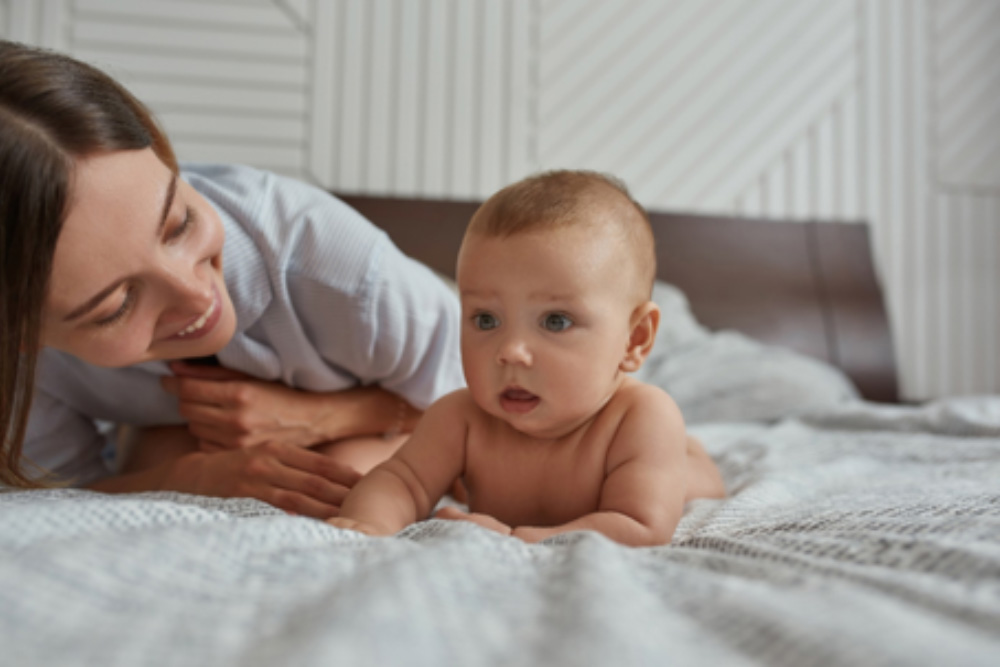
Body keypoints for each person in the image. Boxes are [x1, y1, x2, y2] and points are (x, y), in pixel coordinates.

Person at [0, 41, 465, 518]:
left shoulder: (338, 266)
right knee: (164, 463)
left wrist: (322, 418)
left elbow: (504, 411)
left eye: (178, 224)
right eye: (116, 305)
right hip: (189, 430)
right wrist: (191, 479)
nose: (197, 294)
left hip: (423, 380)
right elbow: (55, 499)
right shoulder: (19, 363)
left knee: (348, 486)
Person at [329, 171, 726, 546]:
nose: (509, 351)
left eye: (556, 321)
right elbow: (401, 480)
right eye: (486, 319)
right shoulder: (461, 417)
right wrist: (370, 523)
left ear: (634, 340)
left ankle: (689, 454)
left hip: (662, 464)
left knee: (692, 480)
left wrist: (515, 538)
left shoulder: (640, 417)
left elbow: (641, 528)